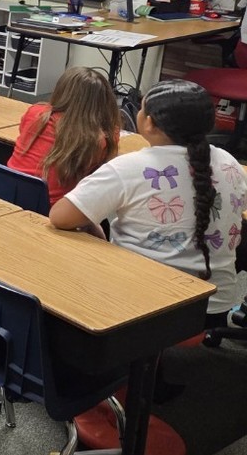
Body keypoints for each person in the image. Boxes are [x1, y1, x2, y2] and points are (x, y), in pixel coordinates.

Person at [50, 79, 247, 330]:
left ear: (149, 123)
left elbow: (60, 217)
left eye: (141, 109)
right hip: (214, 306)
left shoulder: (128, 167)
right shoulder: (231, 163)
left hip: (145, 309)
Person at [8, 66, 121, 206]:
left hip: (8, 194)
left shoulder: (35, 113)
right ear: (105, 101)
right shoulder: (98, 139)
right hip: (53, 210)